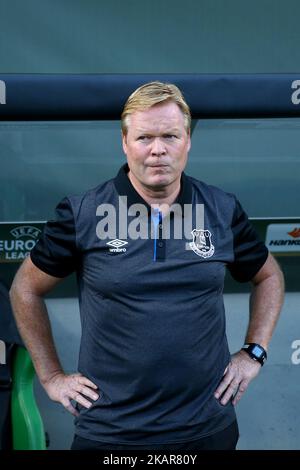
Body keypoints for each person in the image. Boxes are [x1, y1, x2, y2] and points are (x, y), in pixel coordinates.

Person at [9, 81, 284, 451]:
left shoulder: (221, 208)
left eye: (170, 136)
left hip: (206, 428)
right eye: (144, 138)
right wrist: (52, 376)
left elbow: (269, 276)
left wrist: (254, 353)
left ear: (188, 141)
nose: (158, 150)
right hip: (111, 432)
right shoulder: (82, 212)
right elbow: (24, 288)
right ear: (125, 143)